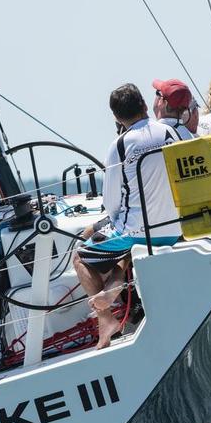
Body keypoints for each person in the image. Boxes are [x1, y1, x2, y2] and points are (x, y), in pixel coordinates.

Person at [73, 82, 185, 349]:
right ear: (146, 106)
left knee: (80, 255)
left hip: (138, 232)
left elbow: (111, 203)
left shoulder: (119, 146)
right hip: (176, 228)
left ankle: (106, 318)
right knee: (124, 247)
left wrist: (112, 221)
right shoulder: (170, 131)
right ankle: (116, 285)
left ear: (116, 117)